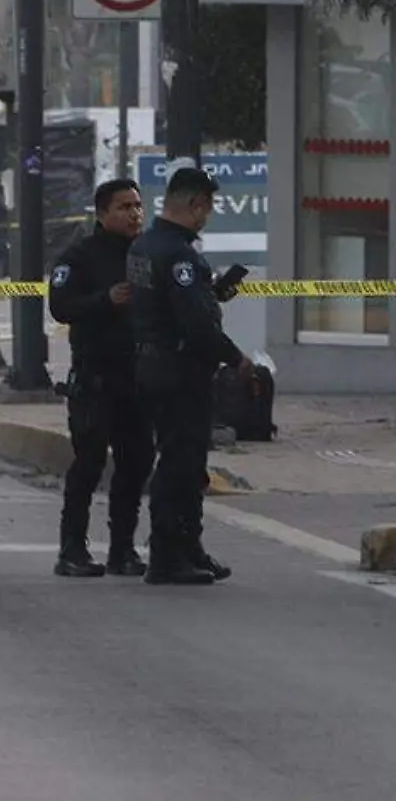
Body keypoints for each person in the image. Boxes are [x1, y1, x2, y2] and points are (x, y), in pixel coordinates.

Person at [129, 165, 248, 586]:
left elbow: (165, 306)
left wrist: (211, 294)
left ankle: (189, 547)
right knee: (179, 463)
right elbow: (195, 325)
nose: (208, 214)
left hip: (154, 364)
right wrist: (237, 359)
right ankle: (166, 554)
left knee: (188, 461)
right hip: (179, 370)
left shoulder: (145, 245)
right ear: (195, 204)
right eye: (208, 206)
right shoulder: (180, 254)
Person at [47, 178, 154, 578]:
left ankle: (122, 549)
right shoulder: (79, 257)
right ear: (103, 213)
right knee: (89, 464)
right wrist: (104, 300)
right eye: (124, 207)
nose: (133, 214)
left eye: (137, 206)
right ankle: (72, 549)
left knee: (136, 463)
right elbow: (61, 306)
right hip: (95, 381)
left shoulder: (145, 254)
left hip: (138, 380)